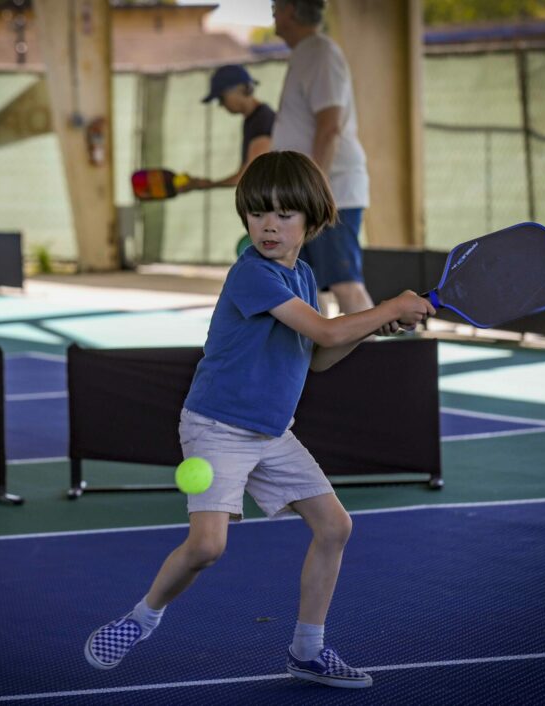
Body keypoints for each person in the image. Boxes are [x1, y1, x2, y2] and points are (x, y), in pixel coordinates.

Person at [83, 151, 435, 689]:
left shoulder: (305, 276)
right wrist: (388, 308)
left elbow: (317, 354)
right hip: (217, 427)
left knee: (335, 526)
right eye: (258, 214)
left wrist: (365, 329)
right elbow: (324, 332)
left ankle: (307, 651)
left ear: (312, 221)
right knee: (207, 547)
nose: (268, 225)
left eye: (285, 214)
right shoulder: (252, 273)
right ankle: (141, 619)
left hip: (271, 431)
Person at [271, 0, 374, 317]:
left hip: (331, 195)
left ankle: (375, 365)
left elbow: (329, 128)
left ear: (291, 11)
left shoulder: (320, 52)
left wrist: (315, 191)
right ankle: (318, 364)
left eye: (276, 6)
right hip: (314, 194)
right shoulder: (308, 53)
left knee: (346, 285)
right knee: (308, 286)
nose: (272, 12)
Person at [181, 64, 275, 191]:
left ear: (240, 89)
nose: (221, 105)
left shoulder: (262, 120)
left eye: (221, 98)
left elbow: (248, 176)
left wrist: (206, 185)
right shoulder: (254, 120)